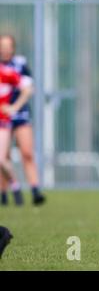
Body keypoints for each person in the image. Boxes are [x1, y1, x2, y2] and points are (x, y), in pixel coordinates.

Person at [0, 35, 45, 206]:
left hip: (18, 115)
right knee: (3, 157)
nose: (4, 49)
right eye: (1, 46)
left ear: (13, 48)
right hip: (2, 117)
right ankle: (5, 193)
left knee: (27, 153)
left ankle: (35, 190)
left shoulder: (18, 66)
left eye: (7, 46)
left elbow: (27, 89)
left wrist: (14, 108)